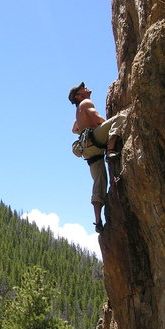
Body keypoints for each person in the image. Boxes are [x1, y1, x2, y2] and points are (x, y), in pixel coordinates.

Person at [69, 82, 127, 232]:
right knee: (121, 117)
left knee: (99, 181)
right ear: (79, 95)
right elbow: (97, 119)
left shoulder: (78, 112)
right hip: (95, 140)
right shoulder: (86, 102)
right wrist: (105, 126)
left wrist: (85, 127)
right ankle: (111, 149)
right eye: (83, 87)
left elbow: (74, 129)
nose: (86, 87)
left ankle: (98, 221)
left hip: (87, 149)